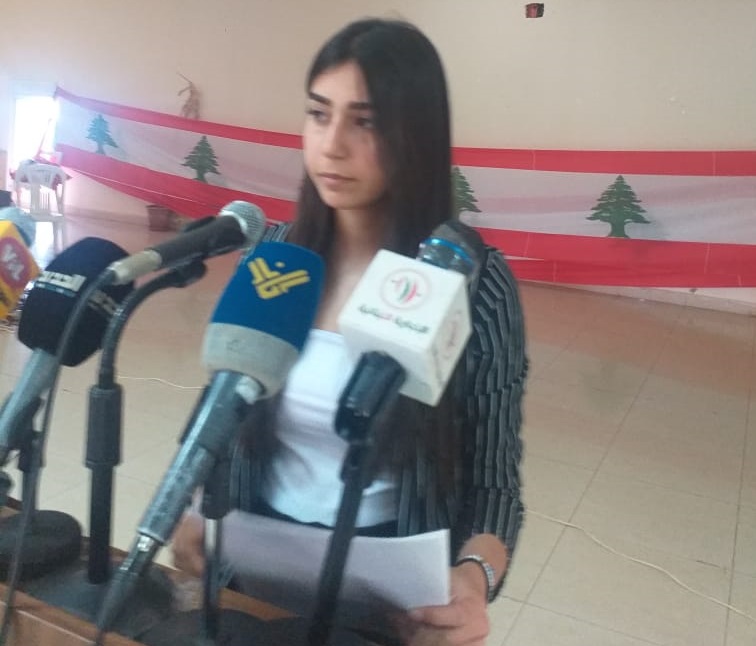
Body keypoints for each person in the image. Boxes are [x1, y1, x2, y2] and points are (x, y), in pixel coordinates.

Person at [172, 17, 527, 646]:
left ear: (416, 136)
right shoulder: (277, 259)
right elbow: (221, 411)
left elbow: (494, 483)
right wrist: (195, 504)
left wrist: (474, 578)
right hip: (249, 584)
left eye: (365, 122)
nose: (332, 145)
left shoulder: (472, 284)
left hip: (388, 609)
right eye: (319, 114)